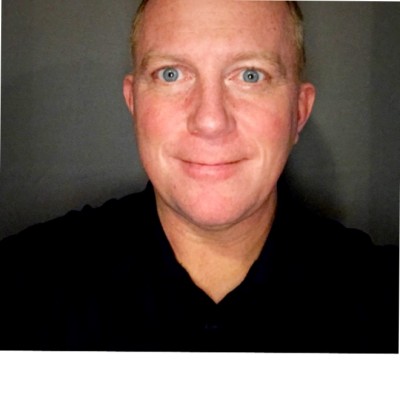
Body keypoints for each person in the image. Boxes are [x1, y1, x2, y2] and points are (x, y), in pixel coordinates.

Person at [0, 0, 398, 352]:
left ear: (299, 111)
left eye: (251, 75)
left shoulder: (383, 302)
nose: (210, 120)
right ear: (134, 103)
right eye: (171, 74)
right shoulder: (23, 289)